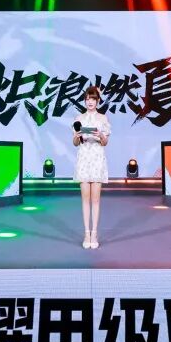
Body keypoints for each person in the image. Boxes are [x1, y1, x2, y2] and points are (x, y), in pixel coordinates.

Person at [72, 86, 110, 249]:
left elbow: (105, 142)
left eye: (93, 99)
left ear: (97, 101)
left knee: (95, 199)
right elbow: (75, 143)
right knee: (85, 199)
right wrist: (77, 136)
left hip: (97, 159)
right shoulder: (79, 118)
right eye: (87, 99)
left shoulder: (102, 118)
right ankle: (86, 233)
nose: (90, 102)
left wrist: (100, 135)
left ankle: (94, 233)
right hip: (83, 159)